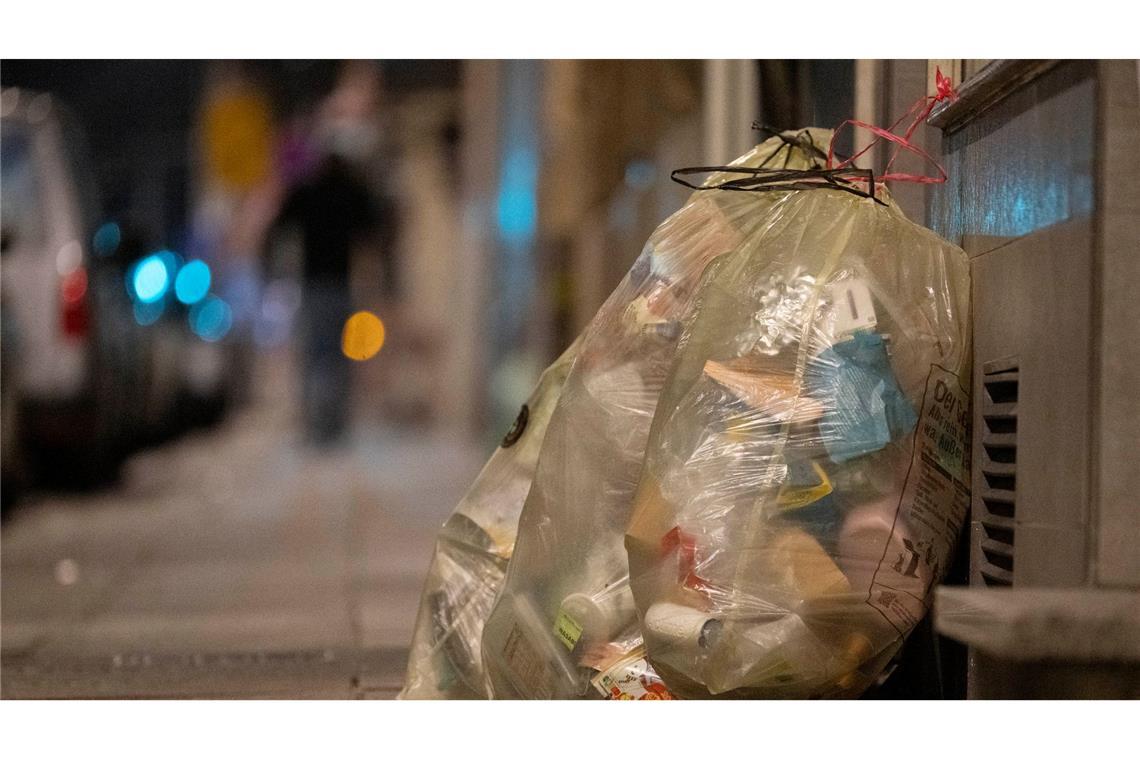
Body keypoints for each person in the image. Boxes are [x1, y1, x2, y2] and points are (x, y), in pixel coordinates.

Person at [275, 152, 386, 445]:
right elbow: (373, 228)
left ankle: (314, 426)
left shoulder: (308, 193)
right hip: (339, 284)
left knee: (315, 355)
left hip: (314, 284)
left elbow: (280, 224)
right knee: (337, 357)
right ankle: (332, 427)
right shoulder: (351, 193)